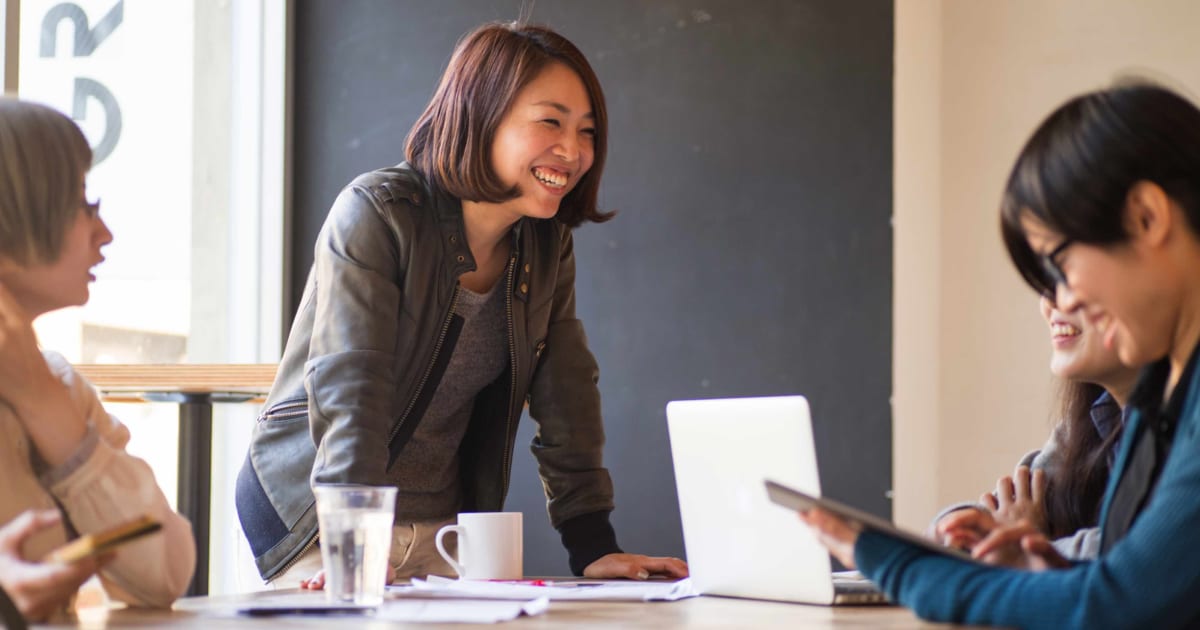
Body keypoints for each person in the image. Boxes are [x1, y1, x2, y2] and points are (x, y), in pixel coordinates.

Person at [236, 21, 688, 586]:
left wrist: (594, 545)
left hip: (446, 528)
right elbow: (352, 388)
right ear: (482, 113)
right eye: (550, 121)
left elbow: (565, 391)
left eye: (588, 131)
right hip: (317, 521)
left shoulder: (544, 243)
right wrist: (352, 543)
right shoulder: (379, 214)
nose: (573, 151)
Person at [798, 81, 1200, 629]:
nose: (1062, 300)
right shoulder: (1163, 393)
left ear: (1148, 217)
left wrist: (896, 563)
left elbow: (1117, 606)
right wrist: (1046, 571)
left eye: (1060, 264)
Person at [0, 98, 195, 621]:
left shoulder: (61, 388)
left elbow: (167, 575)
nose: (104, 233)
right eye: (83, 203)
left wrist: (49, 413)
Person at [931, 297, 1138, 561]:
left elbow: (1148, 549)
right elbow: (995, 510)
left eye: (1067, 276)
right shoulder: (1093, 420)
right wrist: (951, 531)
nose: (1049, 301)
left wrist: (1027, 547)